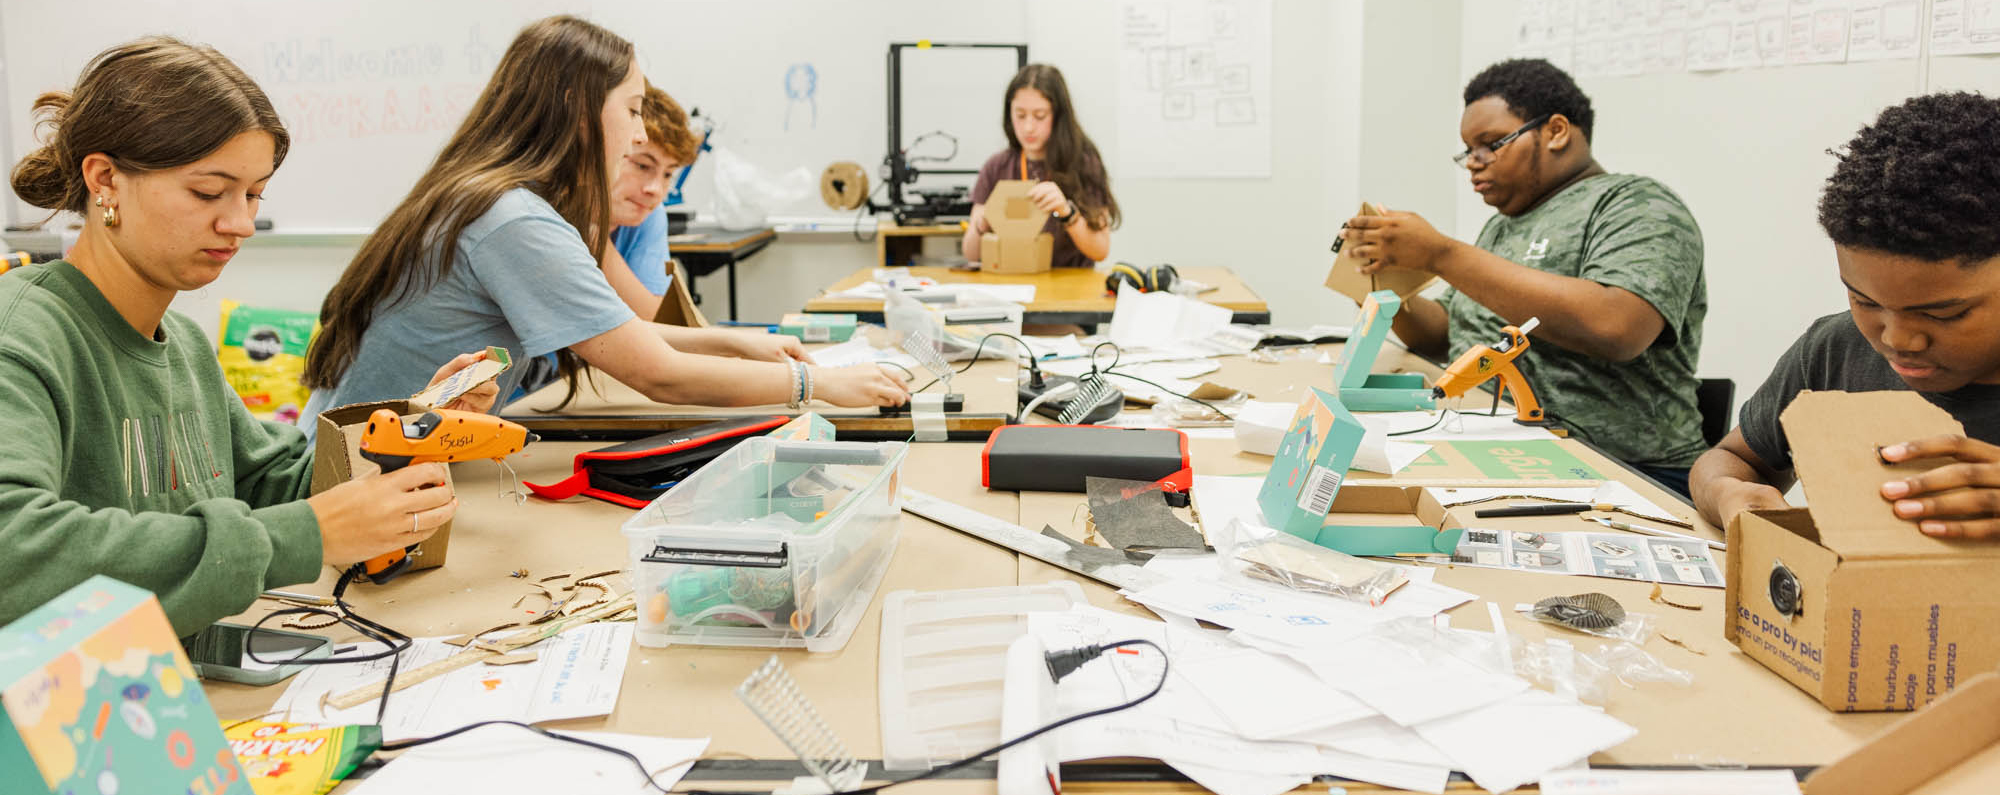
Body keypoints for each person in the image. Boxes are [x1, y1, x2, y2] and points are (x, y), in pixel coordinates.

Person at [0, 37, 495, 635]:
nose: (239, 223)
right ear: (105, 179)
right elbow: (15, 553)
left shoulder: (178, 342)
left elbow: (269, 481)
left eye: (254, 195)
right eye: (208, 192)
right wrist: (303, 535)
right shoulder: (22, 335)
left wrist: (409, 431)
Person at [302, 16, 908, 416]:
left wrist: (735, 343)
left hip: (371, 462)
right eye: (634, 109)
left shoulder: (492, 197)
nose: (640, 130)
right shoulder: (512, 219)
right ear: (577, 105)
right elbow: (658, 376)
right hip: (353, 479)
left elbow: (621, 330)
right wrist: (818, 386)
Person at [1339, 58, 1707, 495]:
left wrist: (1442, 253)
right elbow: (1444, 336)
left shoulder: (1636, 204)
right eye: (1468, 151)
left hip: (1617, 468)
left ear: (1556, 131)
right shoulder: (1502, 225)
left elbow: (1617, 325)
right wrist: (1377, 285)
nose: (1474, 163)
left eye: (1491, 143)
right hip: (1498, 446)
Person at [1692, 92, 2000, 538]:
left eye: (1943, 314)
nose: (1897, 339)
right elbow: (1731, 459)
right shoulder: (1837, 350)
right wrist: (1727, 493)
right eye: (1865, 301)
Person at [961, 63, 1118, 269]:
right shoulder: (996, 167)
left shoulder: (1083, 163)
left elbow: (1100, 250)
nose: (1028, 127)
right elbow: (970, 254)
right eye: (1020, 115)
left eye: (1040, 116)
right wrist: (981, 226)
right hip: (1013, 282)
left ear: (1058, 116)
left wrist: (1067, 213)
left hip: (1069, 289)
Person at [601, 84, 702, 320]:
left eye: (668, 174)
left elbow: (656, 321)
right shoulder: (542, 215)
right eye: (643, 166)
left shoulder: (649, 214)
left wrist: (596, 241)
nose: (655, 190)